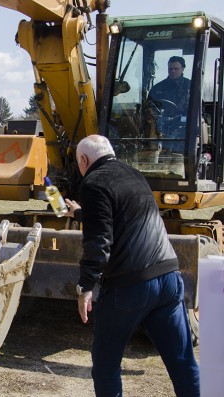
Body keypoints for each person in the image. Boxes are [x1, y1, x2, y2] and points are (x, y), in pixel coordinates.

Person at [64, 135, 200, 397]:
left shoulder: (93, 183)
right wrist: (81, 213)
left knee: (106, 366)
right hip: (169, 278)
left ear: (83, 160)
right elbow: (123, 216)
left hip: (130, 286)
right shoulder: (135, 176)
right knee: (182, 363)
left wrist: (85, 286)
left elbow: (99, 241)